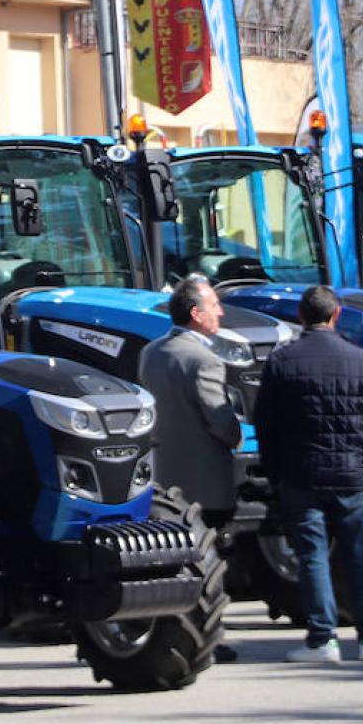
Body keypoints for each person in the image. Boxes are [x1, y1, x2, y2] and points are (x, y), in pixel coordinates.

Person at [255, 285, 363, 663]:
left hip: (301, 473)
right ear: (336, 316)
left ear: (301, 318)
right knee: (357, 555)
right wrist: (361, 451)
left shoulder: (282, 361)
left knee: (312, 556)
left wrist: (276, 468)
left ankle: (323, 639)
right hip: (350, 473)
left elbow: (266, 423)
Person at [139, 277, 243, 662]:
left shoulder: (152, 352)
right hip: (206, 481)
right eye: (214, 306)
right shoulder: (204, 360)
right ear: (196, 314)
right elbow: (220, 421)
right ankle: (209, 635)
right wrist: (236, 436)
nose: (221, 312)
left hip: (166, 475)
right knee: (208, 563)